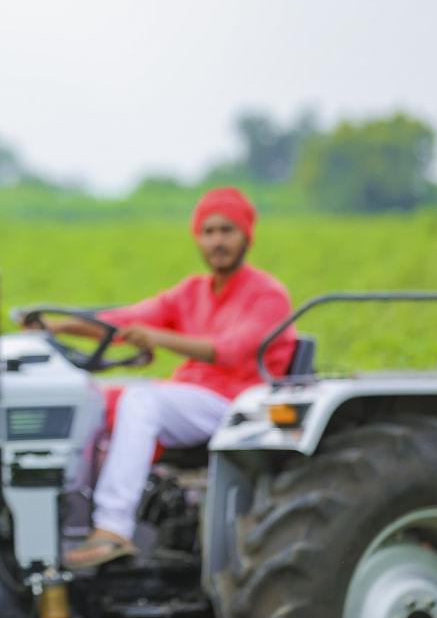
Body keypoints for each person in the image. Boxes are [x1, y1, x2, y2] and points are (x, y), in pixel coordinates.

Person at [31, 187, 295, 569]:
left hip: (238, 405)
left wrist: (159, 338)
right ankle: (69, 520)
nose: (217, 241)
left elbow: (230, 350)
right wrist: (55, 327)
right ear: (198, 237)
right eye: (208, 232)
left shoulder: (267, 294)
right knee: (91, 398)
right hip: (192, 397)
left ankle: (113, 527)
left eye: (227, 230)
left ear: (246, 236)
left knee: (143, 400)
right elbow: (124, 320)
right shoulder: (192, 292)